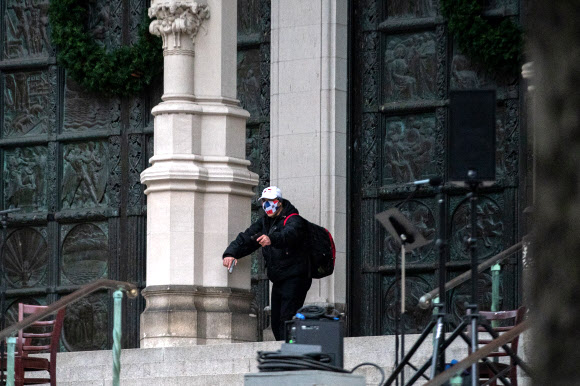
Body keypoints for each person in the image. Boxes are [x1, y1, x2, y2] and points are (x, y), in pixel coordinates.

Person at [222, 186, 311, 340]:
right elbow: (247, 238)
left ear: (280, 202)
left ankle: (291, 351)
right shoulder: (264, 223)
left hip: (296, 276)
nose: (267, 205)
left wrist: (272, 239)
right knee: (276, 322)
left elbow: (289, 235)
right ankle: (285, 349)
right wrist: (231, 253)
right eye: (264, 202)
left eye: (271, 201)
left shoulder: (294, 219)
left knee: (287, 317)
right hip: (279, 278)